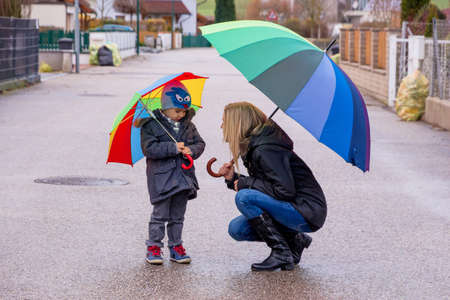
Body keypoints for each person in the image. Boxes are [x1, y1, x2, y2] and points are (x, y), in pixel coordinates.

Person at [218, 102, 327, 272]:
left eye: (225, 121)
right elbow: (267, 185)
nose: (222, 126)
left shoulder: (265, 149)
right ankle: (295, 240)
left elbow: (285, 191)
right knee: (237, 229)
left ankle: (281, 253)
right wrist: (233, 179)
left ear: (237, 123)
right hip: (293, 207)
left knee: (244, 197)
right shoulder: (256, 146)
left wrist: (246, 183)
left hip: (307, 210)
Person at [136, 80, 205, 265]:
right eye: (177, 111)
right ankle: (154, 246)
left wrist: (192, 150)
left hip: (184, 178)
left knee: (178, 216)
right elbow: (149, 149)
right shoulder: (151, 125)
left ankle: (176, 246)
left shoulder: (188, 125)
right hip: (162, 179)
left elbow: (200, 143)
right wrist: (173, 147)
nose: (181, 114)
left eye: (184, 111)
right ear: (165, 107)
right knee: (160, 214)